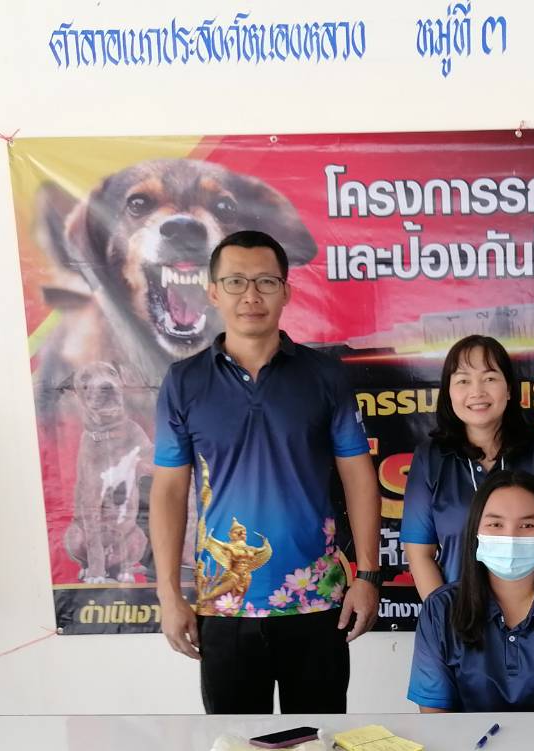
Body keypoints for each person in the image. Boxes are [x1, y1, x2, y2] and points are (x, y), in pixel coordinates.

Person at [150, 229, 382, 714]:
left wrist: (368, 576)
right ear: (213, 292)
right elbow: (169, 491)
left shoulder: (325, 376)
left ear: (286, 291)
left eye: (265, 282)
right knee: (235, 748)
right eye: (235, 281)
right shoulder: (184, 382)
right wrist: (169, 595)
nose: (251, 296)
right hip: (224, 605)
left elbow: (359, 477)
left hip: (317, 600)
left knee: (317, 745)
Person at [408, 470, 534, 713]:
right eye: (495, 524)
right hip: (466, 740)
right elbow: (436, 723)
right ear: (476, 532)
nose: (510, 537)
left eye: (527, 525)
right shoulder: (439, 611)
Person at [402, 335, 534, 597]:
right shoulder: (428, 458)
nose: (477, 392)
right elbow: (419, 554)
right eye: (463, 380)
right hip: (461, 613)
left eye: (489, 378)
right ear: (448, 392)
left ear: (509, 389)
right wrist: (443, 617)